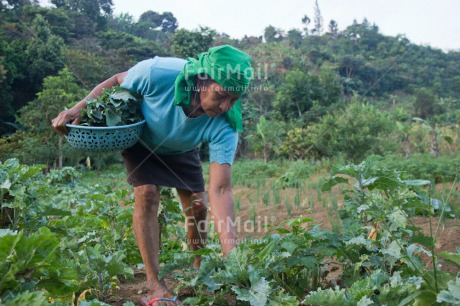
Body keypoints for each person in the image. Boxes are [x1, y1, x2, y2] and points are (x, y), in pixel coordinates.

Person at [51, 45, 253, 306]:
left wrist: (231, 253)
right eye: (221, 95)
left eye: (234, 99)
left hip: (181, 148)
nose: (225, 106)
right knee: (146, 195)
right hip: (143, 140)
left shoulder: (226, 123)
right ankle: (154, 283)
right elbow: (117, 79)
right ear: (202, 79)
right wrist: (80, 106)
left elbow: (221, 189)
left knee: (197, 205)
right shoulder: (159, 73)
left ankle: (197, 268)